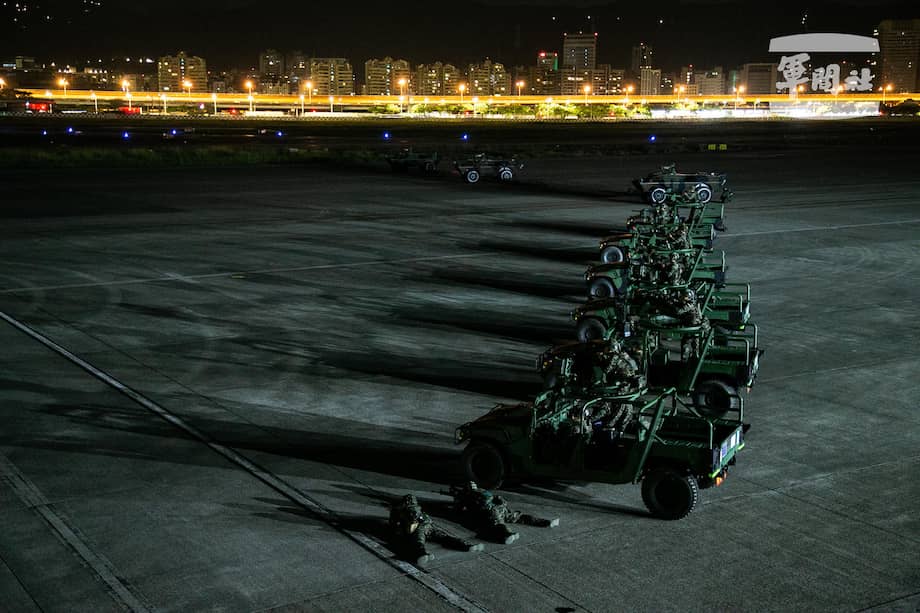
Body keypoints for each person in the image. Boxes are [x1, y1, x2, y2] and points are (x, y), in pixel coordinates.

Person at [389, 494, 482, 567]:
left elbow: (407, 523)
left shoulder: (407, 510)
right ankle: (466, 545)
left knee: (418, 542)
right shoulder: (415, 508)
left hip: (420, 527)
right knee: (444, 537)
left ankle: (422, 554)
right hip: (429, 525)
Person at [450, 483, 559, 544]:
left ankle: (509, 534)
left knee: (498, 525)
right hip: (501, 508)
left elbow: (458, 511)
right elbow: (498, 498)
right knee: (520, 517)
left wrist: (458, 501)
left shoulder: (468, 496)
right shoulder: (482, 491)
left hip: (492, 511)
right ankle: (546, 522)